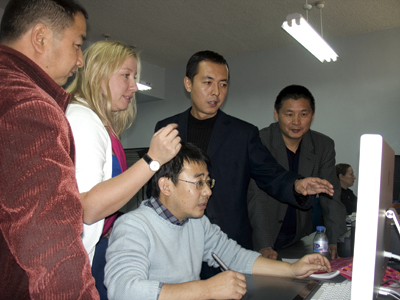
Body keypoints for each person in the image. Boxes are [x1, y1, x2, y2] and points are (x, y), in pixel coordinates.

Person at [153, 50, 335, 278]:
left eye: (223, 84)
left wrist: (297, 185)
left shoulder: (243, 133)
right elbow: (157, 183)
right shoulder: (168, 128)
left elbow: (269, 172)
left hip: (228, 243)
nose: (216, 92)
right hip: (174, 240)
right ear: (188, 83)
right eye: (208, 82)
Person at [105, 142, 331, 300]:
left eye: (208, 183)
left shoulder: (196, 222)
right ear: (166, 186)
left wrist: (291, 270)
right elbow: (123, 291)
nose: (207, 192)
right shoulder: (133, 226)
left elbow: (235, 256)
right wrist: (206, 289)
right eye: (198, 183)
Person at [66, 40, 181, 298]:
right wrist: (153, 159)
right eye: (126, 76)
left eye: (135, 77)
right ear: (99, 74)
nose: (133, 86)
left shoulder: (100, 124)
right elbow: (89, 208)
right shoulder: (83, 120)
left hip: (98, 248)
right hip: (79, 259)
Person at [0, 0, 99, 298]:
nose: (80, 60)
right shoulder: (29, 107)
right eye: (77, 45)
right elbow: (51, 243)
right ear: (41, 37)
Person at [247, 85, 347, 260]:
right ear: (276, 114)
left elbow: (331, 194)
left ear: (312, 116)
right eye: (289, 114)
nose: (296, 121)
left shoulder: (323, 145)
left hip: (297, 237)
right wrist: (263, 244)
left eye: (303, 114)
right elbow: (257, 196)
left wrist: (336, 238)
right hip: (261, 235)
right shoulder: (260, 141)